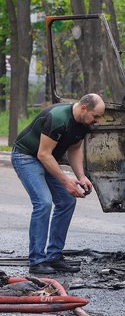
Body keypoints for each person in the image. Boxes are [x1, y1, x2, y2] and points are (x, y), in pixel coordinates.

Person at [11, 93, 106, 274]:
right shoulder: (58, 118)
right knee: (43, 202)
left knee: (67, 201)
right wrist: (66, 181)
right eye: (96, 116)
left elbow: (75, 149)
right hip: (26, 156)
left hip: (47, 159)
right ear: (84, 108)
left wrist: (81, 176)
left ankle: (53, 256)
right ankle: (37, 261)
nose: (98, 121)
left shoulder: (84, 123)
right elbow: (43, 154)